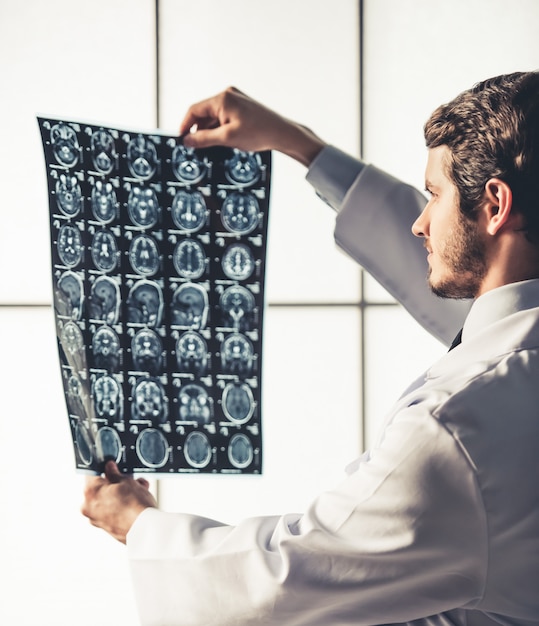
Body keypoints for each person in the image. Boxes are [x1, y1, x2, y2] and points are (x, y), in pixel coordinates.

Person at [82, 72, 539, 626]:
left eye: (433, 194)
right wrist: (299, 143)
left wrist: (140, 526)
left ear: (494, 203)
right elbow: (468, 265)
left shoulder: (460, 425)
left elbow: (288, 578)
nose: (420, 223)